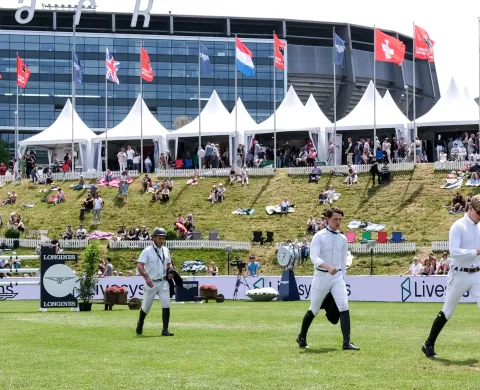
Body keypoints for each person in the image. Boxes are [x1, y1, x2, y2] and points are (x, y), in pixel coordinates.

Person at [422, 195, 480, 359]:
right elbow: (454, 252)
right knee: (447, 311)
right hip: (459, 274)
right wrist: (476, 252)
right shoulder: (458, 226)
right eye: (479, 213)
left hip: (477, 274)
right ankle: (428, 343)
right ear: (470, 208)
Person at [296, 207, 360, 351]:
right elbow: (314, 257)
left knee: (344, 306)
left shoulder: (343, 238)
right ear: (327, 219)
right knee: (314, 309)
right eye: (335, 219)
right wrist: (328, 267)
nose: (338, 222)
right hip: (321, 277)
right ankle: (302, 336)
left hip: (337, 278)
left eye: (340, 219)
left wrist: (342, 278)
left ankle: (347, 342)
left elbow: (343, 262)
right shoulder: (319, 236)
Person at [136, 227, 175, 336]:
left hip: (163, 282)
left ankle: (165, 329)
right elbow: (140, 265)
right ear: (153, 238)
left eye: (163, 238)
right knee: (146, 307)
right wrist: (146, 277)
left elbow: (168, 264)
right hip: (151, 282)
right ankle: (140, 323)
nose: (162, 241)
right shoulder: (147, 251)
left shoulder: (166, 250)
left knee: (166, 303)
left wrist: (170, 271)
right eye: (160, 238)